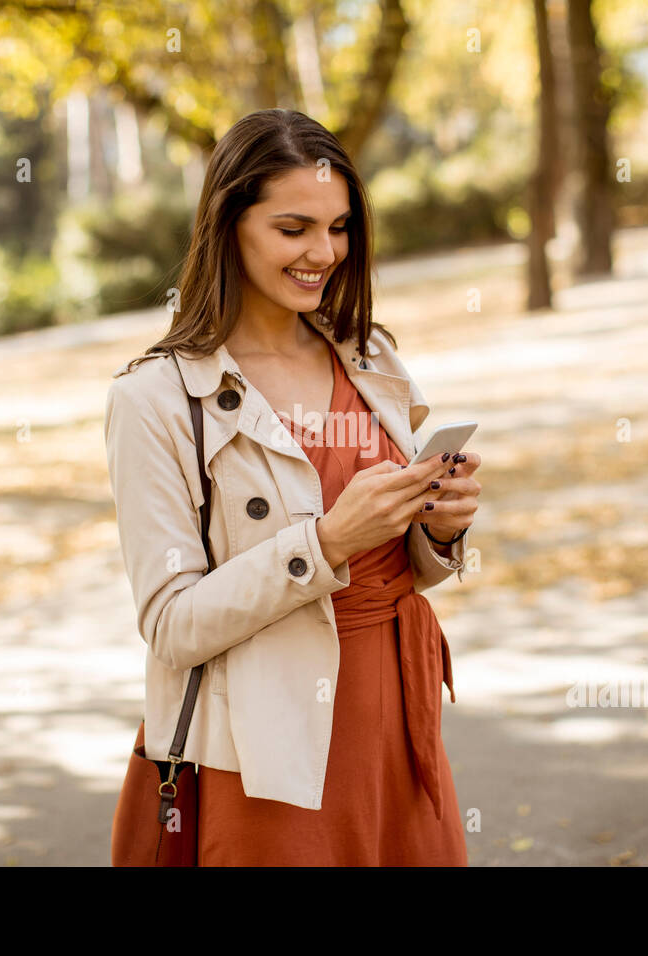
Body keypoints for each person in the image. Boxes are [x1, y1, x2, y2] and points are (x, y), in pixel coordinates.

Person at [103, 109, 482, 865]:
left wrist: (438, 528)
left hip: (394, 718)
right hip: (265, 740)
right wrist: (329, 540)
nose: (324, 252)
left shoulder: (368, 353)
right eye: (294, 229)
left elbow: (397, 563)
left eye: (339, 227)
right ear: (228, 223)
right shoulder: (154, 398)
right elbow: (173, 625)